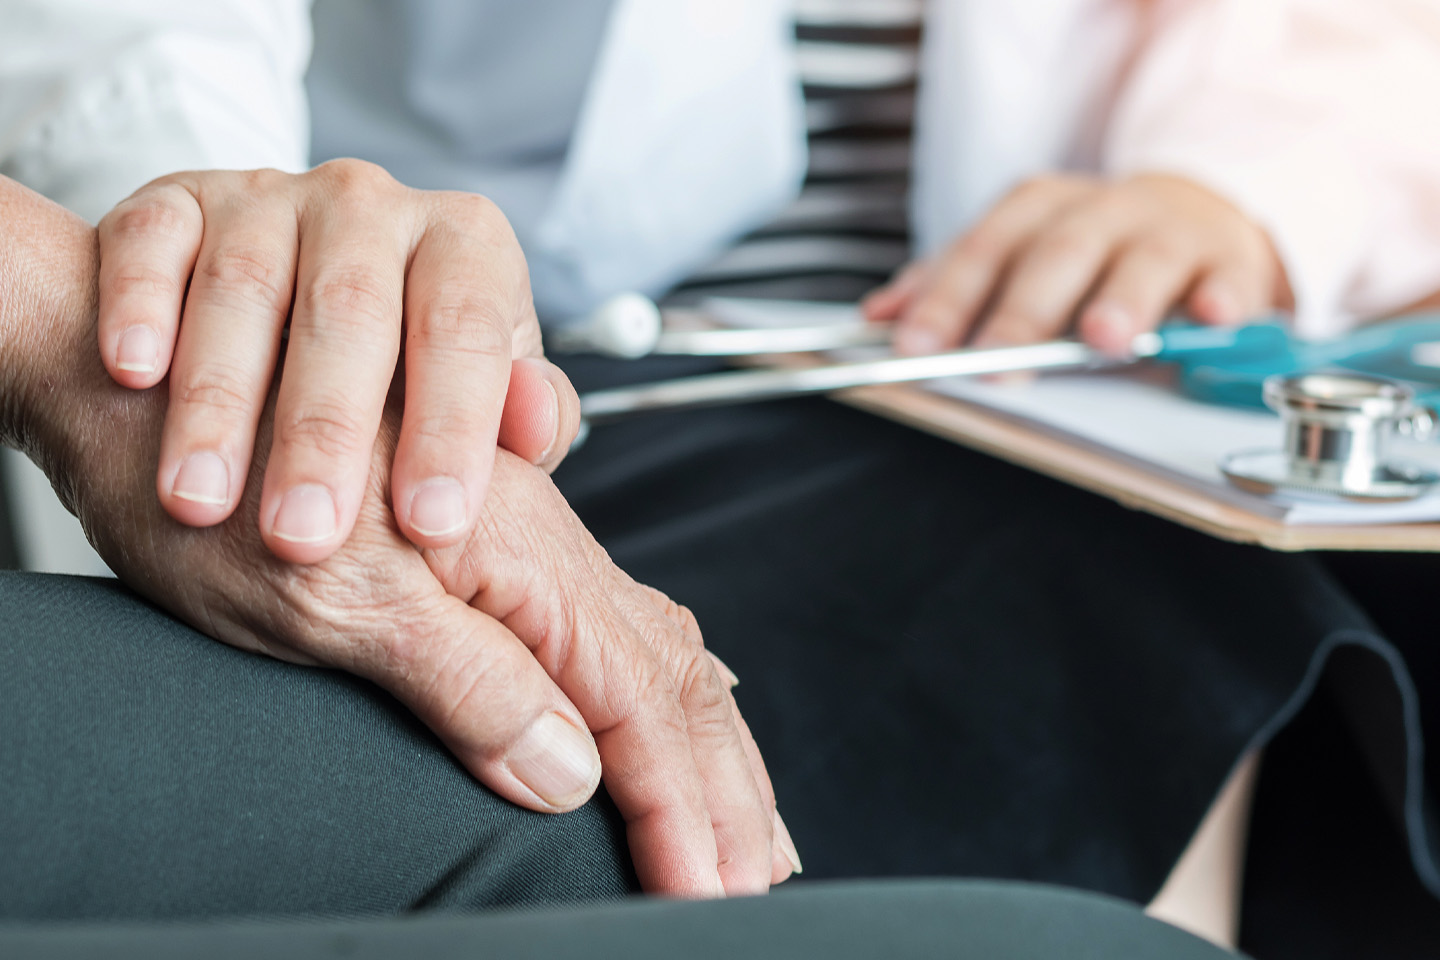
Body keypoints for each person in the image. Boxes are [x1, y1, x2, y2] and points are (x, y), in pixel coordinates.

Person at [3, 0, 1440, 950]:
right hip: (563, 340)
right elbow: (129, 46)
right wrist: (222, 297)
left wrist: (1249, 189)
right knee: (1105, 608)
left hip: (1071, 367)